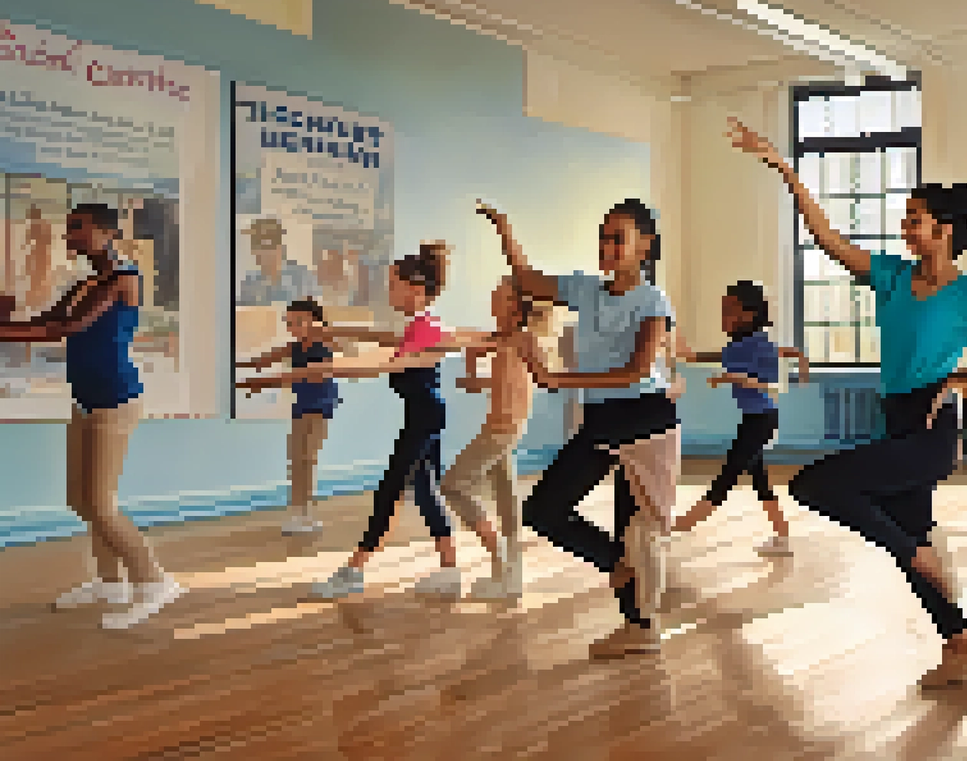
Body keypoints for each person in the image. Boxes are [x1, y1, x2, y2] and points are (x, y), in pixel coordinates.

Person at [726, 117, 967, 690]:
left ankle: (919, 563)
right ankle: (959, 643)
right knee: (911, 539)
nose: (905, 226)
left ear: (942, 230)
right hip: (896, 417)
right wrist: (785, 171)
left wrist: (958, 375)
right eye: (906, 217)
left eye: (915, 218)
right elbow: (827, 238)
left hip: (929, 429)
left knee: (815, 485)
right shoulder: (892, 276)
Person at [488, 198, 683, 660]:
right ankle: (619, 567)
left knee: (634, 529)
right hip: (602, 421)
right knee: (544, 510)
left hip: (644, 420)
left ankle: (640, 627)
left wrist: (559, 379)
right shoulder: (584, 289)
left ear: (645, 246)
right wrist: (504, 228)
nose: (608, 246)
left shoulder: (653, 300)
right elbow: (527, 279)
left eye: (619, 238)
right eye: (604, 237)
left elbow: (638, 371)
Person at [240, 241, 466, 600]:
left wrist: (285, 375)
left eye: (393, 285)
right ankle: (451, 570)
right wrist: (333, 333)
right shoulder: (421, 325)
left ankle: (353, 571)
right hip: (426, 414)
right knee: (424, 492)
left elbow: (377, 365)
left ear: (416, 290)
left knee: (390, 491)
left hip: (425, 417)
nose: (388, 291)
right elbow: (384, 339)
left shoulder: (427, 328)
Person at [0, 203, 184, 629]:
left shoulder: (124, 280)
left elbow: (65, 329)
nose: (69, 237)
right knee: (80, 499)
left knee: (101, 503)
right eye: (68, 230)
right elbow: (48, 320)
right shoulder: (85, 282)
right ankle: (110, 582)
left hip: (115, 400)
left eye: (77, 229)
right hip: (85, 399)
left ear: (106, 232)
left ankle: (153, 580)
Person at [673, 280, 810, 556]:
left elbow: (769, 382)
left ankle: (678, 526)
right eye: (722, 310)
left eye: (729, 311)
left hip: (761, 421)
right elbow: (724, 355)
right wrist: (688, 354)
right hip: (755, 419)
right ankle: (782, 537)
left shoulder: (754, 344)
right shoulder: (742, 344)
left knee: (727, 477)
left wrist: (734, 377)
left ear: (748, 314)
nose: (723, 317)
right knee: (760, 480)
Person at [442, 274, 556, 602]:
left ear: (514, 305)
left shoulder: (522, 340)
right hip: (500, 425)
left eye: (500, 293)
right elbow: (497, 382)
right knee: (506, 498)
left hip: (503, 428)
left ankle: (500, 558)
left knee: (453, 485)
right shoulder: (504, 339)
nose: (492, 296)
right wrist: (471, 367)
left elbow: (540, 377)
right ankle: (510, 575)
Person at [236, 298, 342, 535]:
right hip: (300, 408)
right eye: (290, 322)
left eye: (298, 322)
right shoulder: (293, 348)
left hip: (320, 409)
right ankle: (297, 511)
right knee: (296, 459)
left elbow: (315, 376)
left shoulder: (324, 347)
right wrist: (233, 365)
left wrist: (268, 381)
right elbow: (263, 360)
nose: (292, 327)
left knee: (308, 458)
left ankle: (306, 513)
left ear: (315, 323)